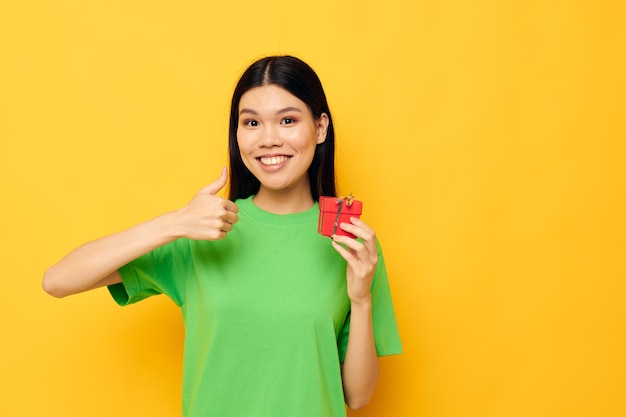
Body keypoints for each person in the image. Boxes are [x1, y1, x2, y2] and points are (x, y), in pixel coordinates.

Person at [43, 55, 402, 417]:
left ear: (320, 128)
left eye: (288, 120)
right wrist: (175, 223)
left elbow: (357, 396)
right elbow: (58, 280)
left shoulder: (350, 243)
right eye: (251, 123)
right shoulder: (205, 229)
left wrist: (361, 300)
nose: (268, 139)